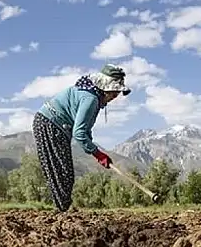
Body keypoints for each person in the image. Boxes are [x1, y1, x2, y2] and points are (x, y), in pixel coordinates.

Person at [32, 64, 131, 211]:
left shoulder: (93, 95)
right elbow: (79, 133)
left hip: (52, 124)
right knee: (63, 173)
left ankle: (62, 210)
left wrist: (96, 152)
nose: (115, 96)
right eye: (114, 91)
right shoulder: (90, 99)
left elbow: (85, 128)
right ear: (105, 87)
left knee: (64, 173)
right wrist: (97, 153)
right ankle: (62, 212)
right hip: (50, 124)